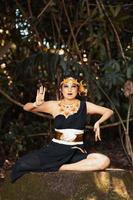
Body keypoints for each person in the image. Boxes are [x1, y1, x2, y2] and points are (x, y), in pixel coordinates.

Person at [11, 77, 113, 182]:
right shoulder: (53, 105)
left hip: (75, 151)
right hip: (54, 150)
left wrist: (98, 122)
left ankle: (61, 167)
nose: (69, 90)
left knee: (103, 161)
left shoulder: (84, 106)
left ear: (78, 90)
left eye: (73, 87)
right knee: (22, 164)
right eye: (66, 86)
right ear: (61, 90)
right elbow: (26, 107)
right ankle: (56, 164)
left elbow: (108, 111)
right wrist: (35, 104)